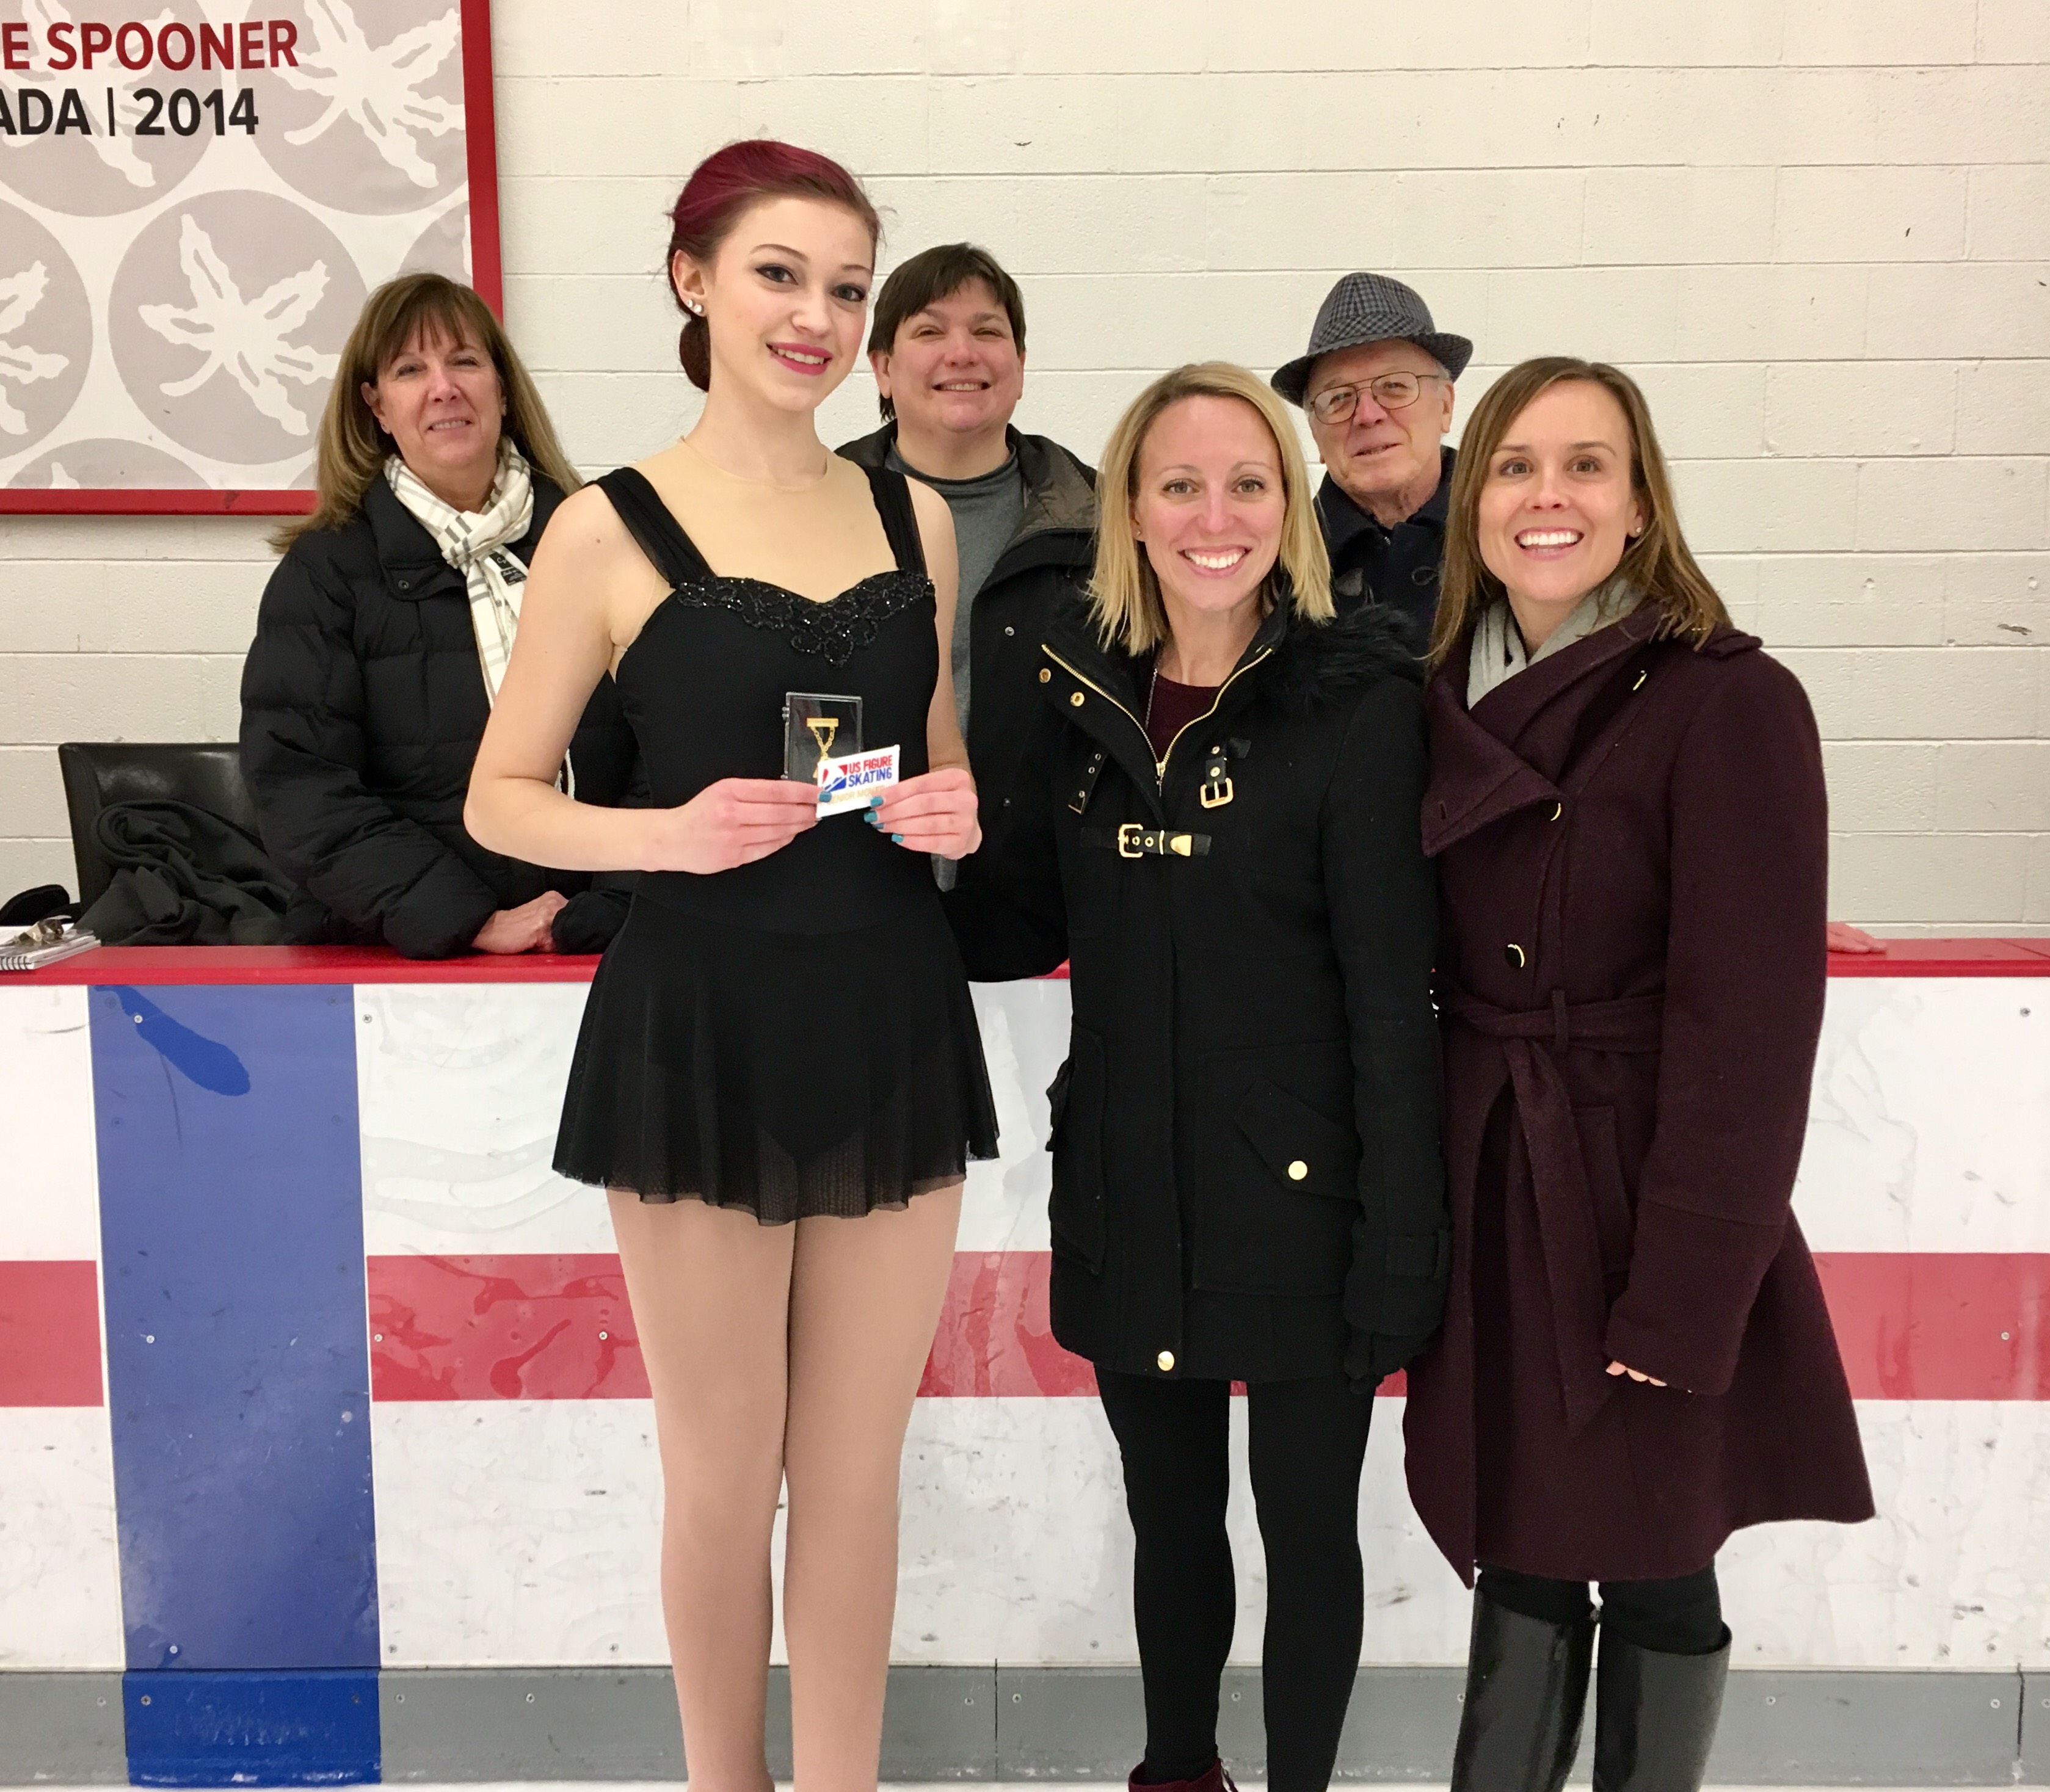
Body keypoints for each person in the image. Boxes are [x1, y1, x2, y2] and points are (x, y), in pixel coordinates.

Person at [462, 140, 998, 1790]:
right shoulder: (602, 528)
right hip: (696, 1024)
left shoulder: (914, 512)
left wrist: (957, 808)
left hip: (888, 1011)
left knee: (853, 1473)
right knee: (722, 1467)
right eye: (779, 274)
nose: (815, 315)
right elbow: (499, 796)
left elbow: (941, 760)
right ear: (693, 280)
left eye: (845, 286)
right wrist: (664, 834)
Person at [947, 363, 1447, 1792]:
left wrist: (1400, 1238)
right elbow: (1011, 925)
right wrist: (903, 842)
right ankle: (1176, 1771)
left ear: (1288, 505)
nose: (1213, 517)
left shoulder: (1358, 700)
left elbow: (1394, 998)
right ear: (1129, 509)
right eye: (1179, 485)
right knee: (1170, 1521)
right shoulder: (1073, 688)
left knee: (1305, 1528)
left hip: (1307, 1199)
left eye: (1246, 483)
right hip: (1127, 1178)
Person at [1409, 357, 1875, 1791]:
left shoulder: (1728, 701)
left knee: (1659, 1556)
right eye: (1513, 465)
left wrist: (1686, 1292)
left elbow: (1752, 1033)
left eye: (1585, 464)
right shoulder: (1432, 691)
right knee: (1522, 1548)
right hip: (1490, 1183)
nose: (1545, 495)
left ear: (1638, 504)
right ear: (1473, 503)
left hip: (1633, 1202)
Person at [240, 272, 638, 959]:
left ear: (502, 389)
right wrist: (467, 919)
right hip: (405, 954)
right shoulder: (325, 572)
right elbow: (300, 786)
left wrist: (613, 904)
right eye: (409, 370)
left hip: (604, 941)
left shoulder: (604, 538)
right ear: (377, 406)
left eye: (464, 361)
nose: (443, 388)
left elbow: (670, 742)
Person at [838, 242, 1097, 860]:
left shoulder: (1105, 524)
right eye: (930, 331)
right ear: (882, 368)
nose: (962, 352)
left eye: (987, 331)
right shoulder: (813, 513)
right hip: (858, 884)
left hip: (1042, 898)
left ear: (1020, 365)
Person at [1270, 272, 1470, 656]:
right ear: (1315, 434)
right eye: (1339, 397)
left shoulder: (1509, 532)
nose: (1367, 415)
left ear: (1445, 406)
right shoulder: (1278, 563)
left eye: (1394, 386)